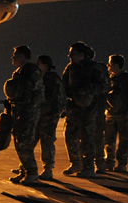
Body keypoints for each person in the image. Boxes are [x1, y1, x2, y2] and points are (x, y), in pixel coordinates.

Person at [62, 41, 105, 177]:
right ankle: (76, 163)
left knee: (87, 138)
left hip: (89, 108)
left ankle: (88, 166)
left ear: (81, 54)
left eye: (72, 53)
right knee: (70, 136)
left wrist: (86, 90)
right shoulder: (70, 68)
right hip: (73, 107)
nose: (69, 56)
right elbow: (64, 86)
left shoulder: (93, 68)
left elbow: (103, 86)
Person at [4, 46, 44, 185]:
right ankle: (24, 171)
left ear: (22, 56)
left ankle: (32, 172)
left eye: (15, 55)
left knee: (24, 144)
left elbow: (27, 89)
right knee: (19, 143)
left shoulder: (31, 70)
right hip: (19, 112)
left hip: (28, 112)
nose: (12, 57)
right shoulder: (19, 72)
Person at [104, 54, 128, 172]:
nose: (108, 65)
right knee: (108, 140)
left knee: (124, 140)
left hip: (123, 115)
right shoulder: (108, 79)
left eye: (110, 63)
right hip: (110, 114)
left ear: (116, 65)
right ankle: (109, 162)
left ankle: (122, 163)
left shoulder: (127, 79)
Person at [35, 55, 65, 180]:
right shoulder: (40, 78)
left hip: (49, 115)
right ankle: (26, 166)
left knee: (47, 141)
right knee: (30, 140)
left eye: (39, 64)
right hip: (39, 114)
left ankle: (48, 169)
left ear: (45, 65)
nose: (36, 66)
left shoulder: (51, 78)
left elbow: (54, 98)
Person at [87, 46, 111, 173]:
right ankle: (84, 163)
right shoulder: (76, 68)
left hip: (95, 109)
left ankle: (99, 163)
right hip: (85, 109)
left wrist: (87, 90)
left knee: (96, 137)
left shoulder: (96, 69)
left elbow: (105, 86)